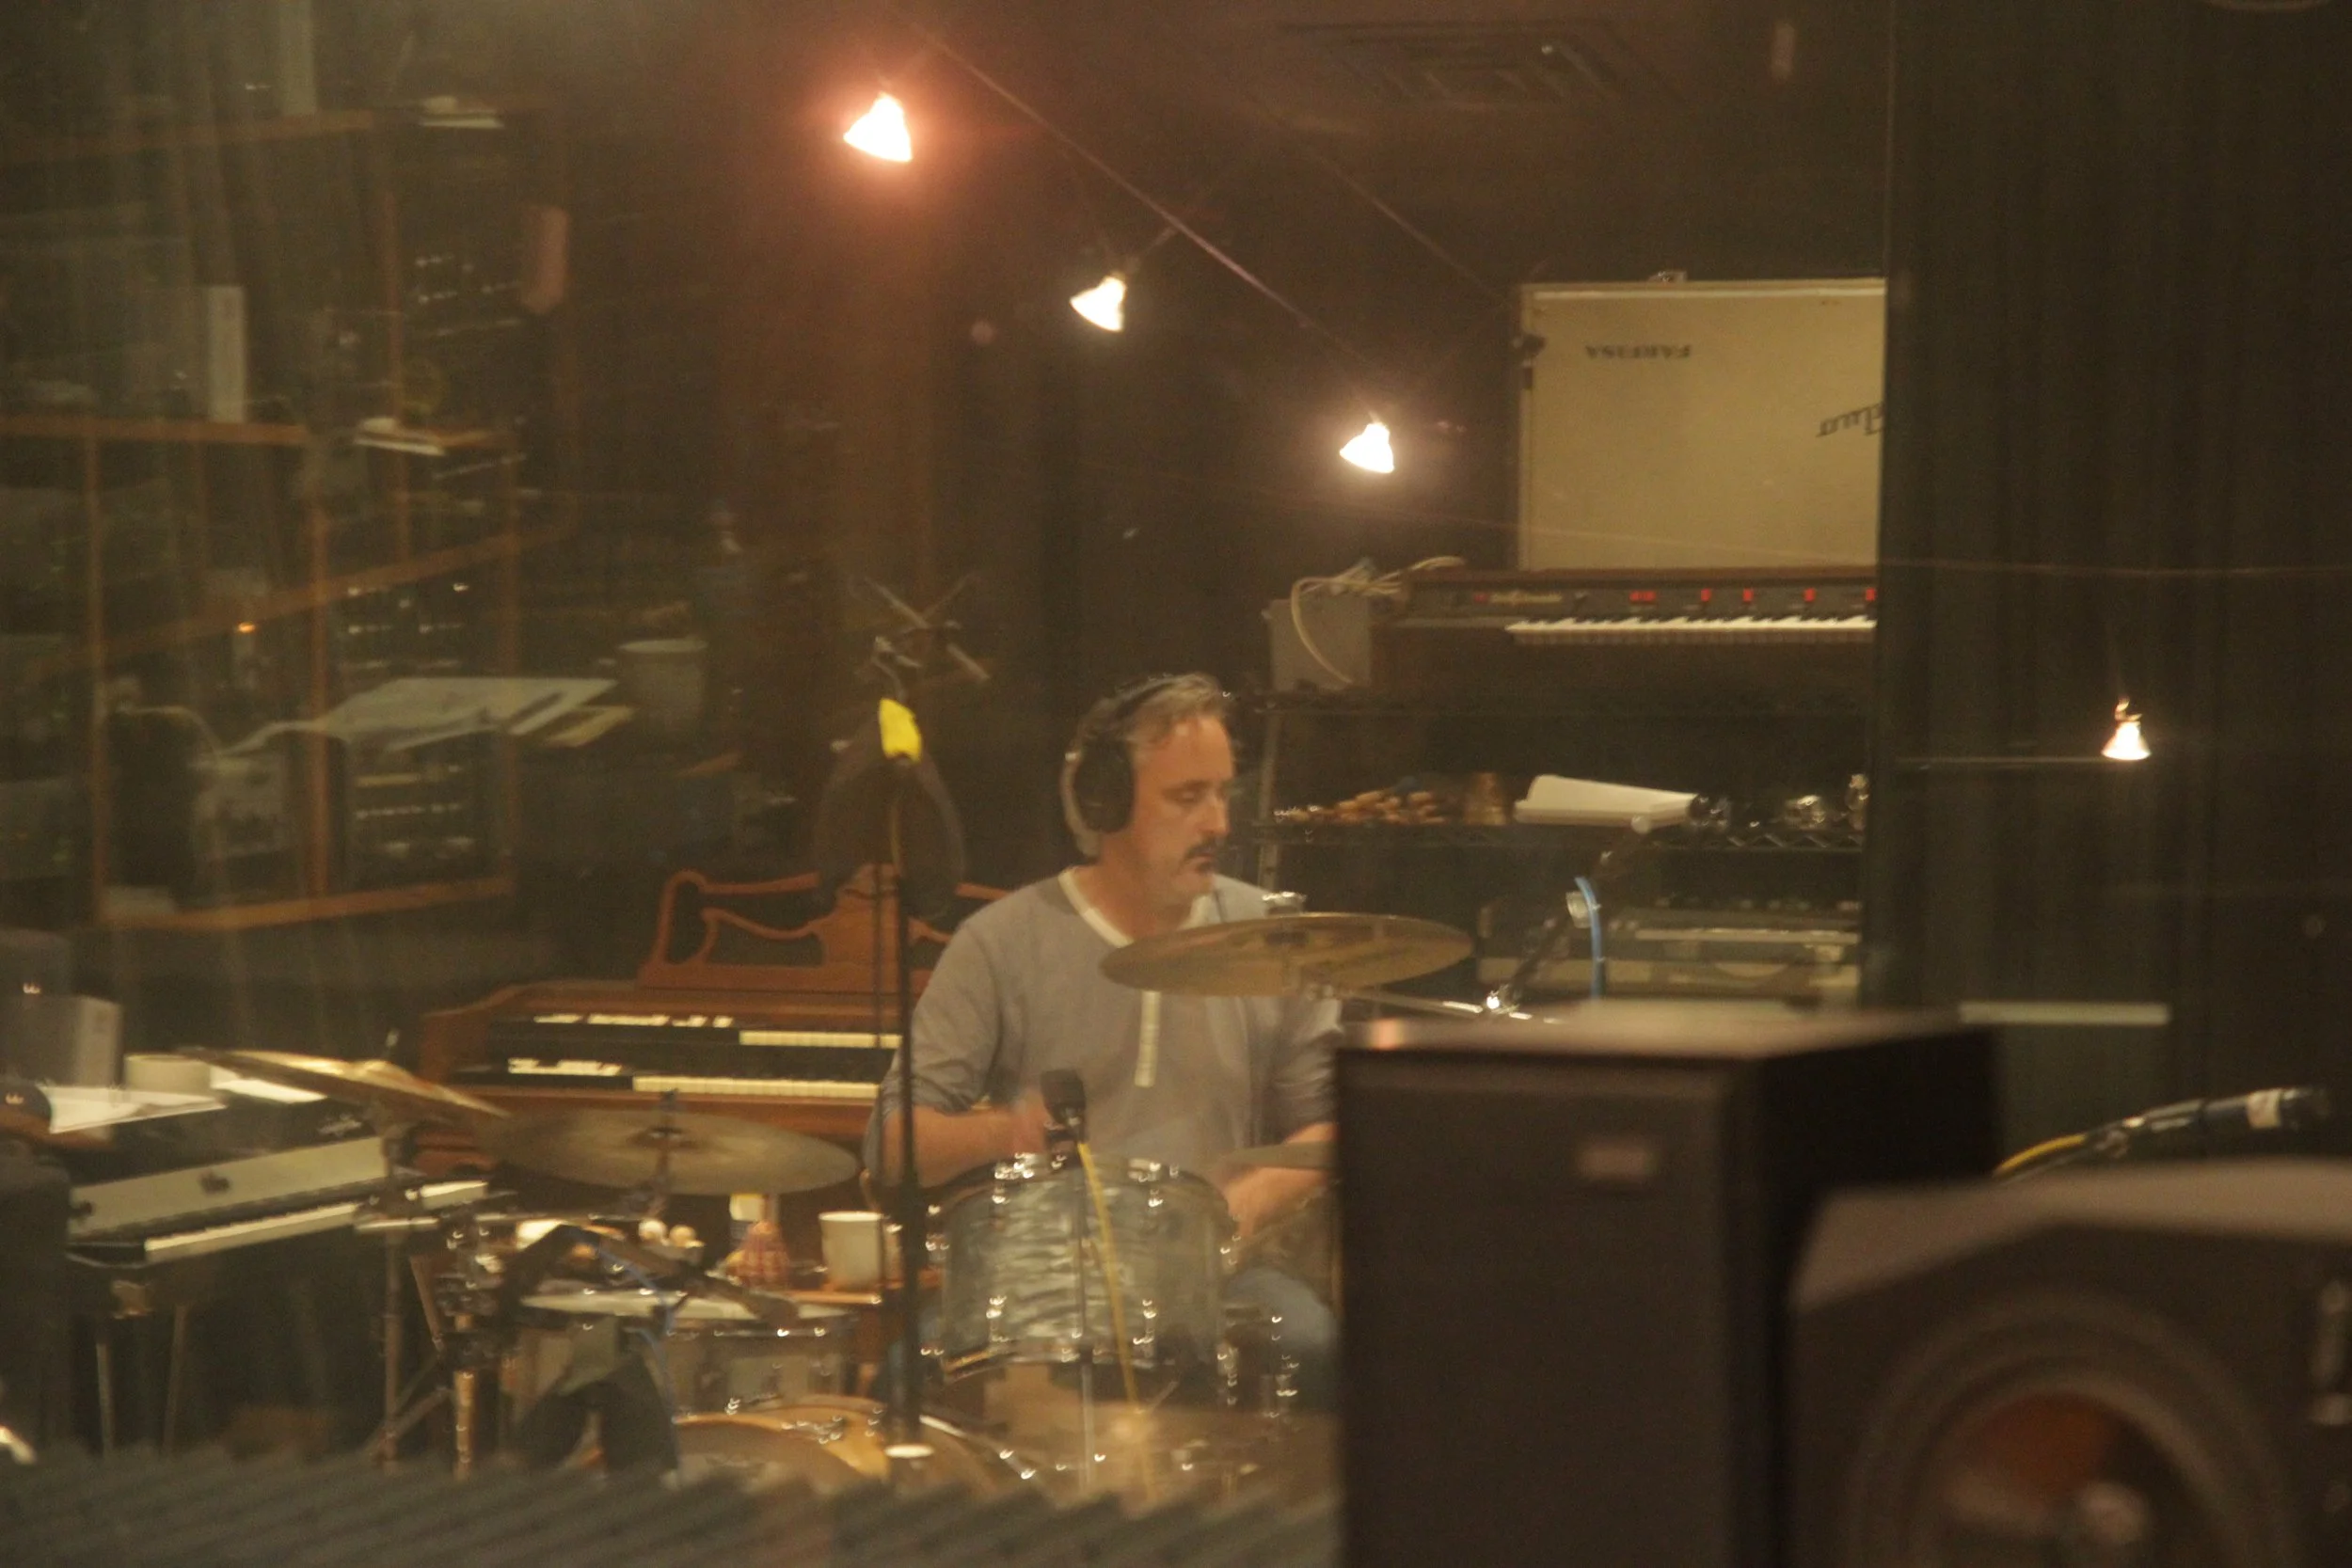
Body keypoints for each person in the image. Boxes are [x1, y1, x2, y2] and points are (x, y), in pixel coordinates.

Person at [866, 672, 1338, 1404]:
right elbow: (892, 1144)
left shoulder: (1270, 938)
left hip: (1223, 1272)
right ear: (1105, 802)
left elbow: (1329, 1123)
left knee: (1310, 1347)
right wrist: (1000, 1132)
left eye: (1223, 793)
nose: (1217, 823)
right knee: (908, 1377)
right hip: (1039, 1274)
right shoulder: (1002, 943)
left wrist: (1251, 1198)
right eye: (1188, 797)